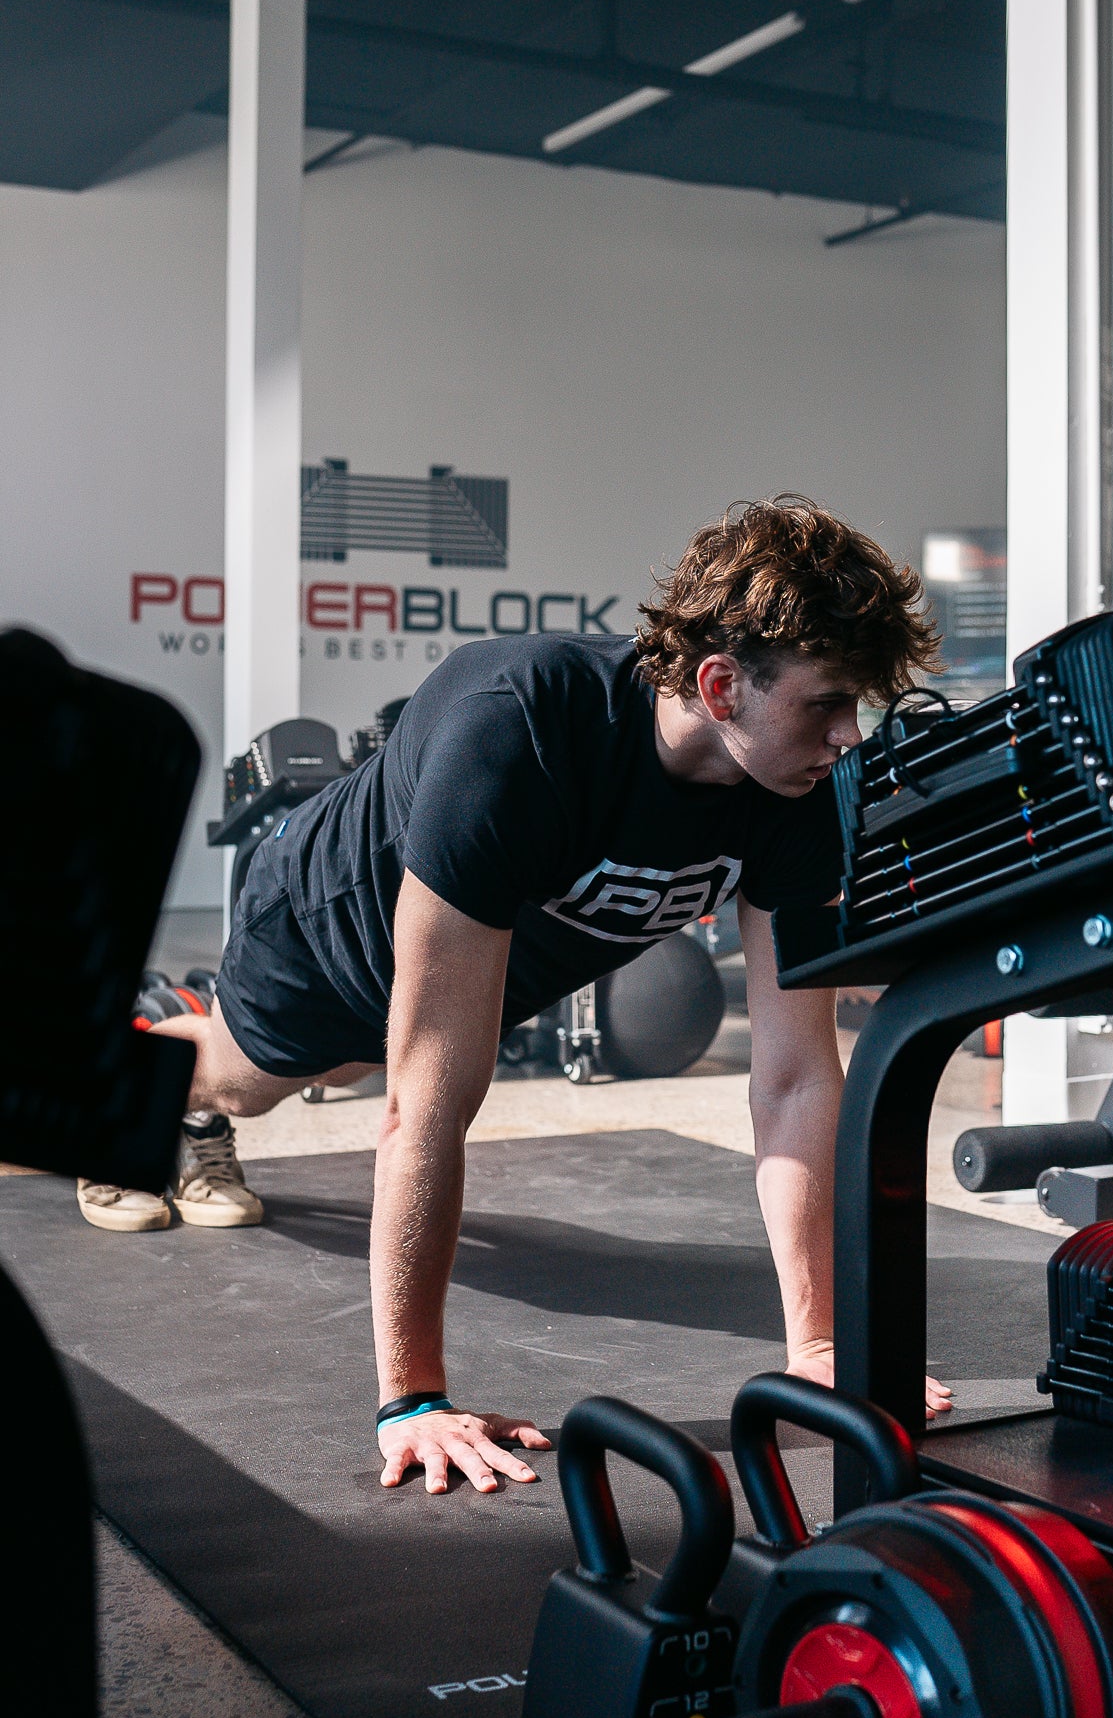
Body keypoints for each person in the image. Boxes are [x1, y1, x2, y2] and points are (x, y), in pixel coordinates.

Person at [105, 497, 952, 1490]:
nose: (849, 735)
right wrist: (412, 1396)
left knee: (386, 1061)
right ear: (721, 685)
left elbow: (799, 1073)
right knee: (249, 1083)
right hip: (323, 930)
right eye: (826, 703)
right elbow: (426, 1103)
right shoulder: (523, 728)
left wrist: (819, 1345)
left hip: (486, 962)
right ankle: (135, 1063)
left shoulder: (793, 790)